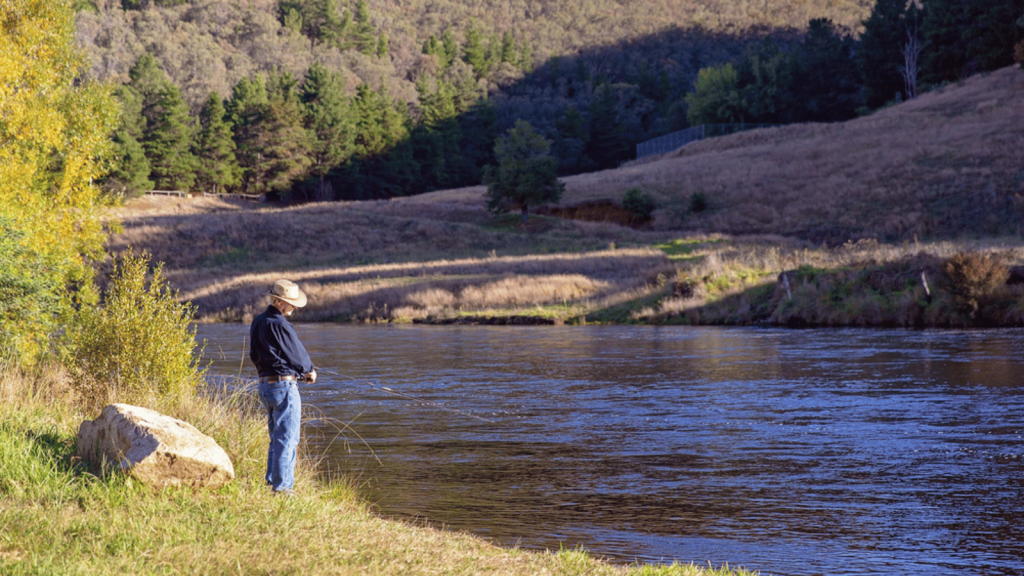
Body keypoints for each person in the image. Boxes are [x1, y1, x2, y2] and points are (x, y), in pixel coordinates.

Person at [249, 279, 317, 495]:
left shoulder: (258, 321)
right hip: (284, 387)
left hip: (264, 386)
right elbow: (297, 354)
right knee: (288, 439)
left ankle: (272, 484)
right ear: (278, 301)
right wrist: (309, 371)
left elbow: (255, 355)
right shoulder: (280, 324)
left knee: (276, 438)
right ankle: (283, 489)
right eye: (290, 303)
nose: (294, 307)